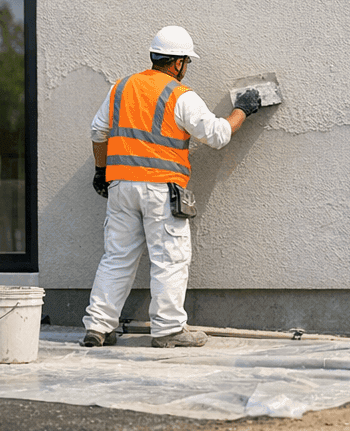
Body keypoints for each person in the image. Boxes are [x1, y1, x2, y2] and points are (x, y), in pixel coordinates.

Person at [81, 26, 264, 348]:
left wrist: (100, 171)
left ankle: (98, 327)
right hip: (160, 190)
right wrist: (242, 111)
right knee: (170, 259)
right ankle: (167, 330)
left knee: (117, 257)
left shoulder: (121, 88)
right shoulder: (180, 95)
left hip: (121, 186)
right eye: (186, 63)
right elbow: (218, 136)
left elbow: (98, 132)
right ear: (178, 63)